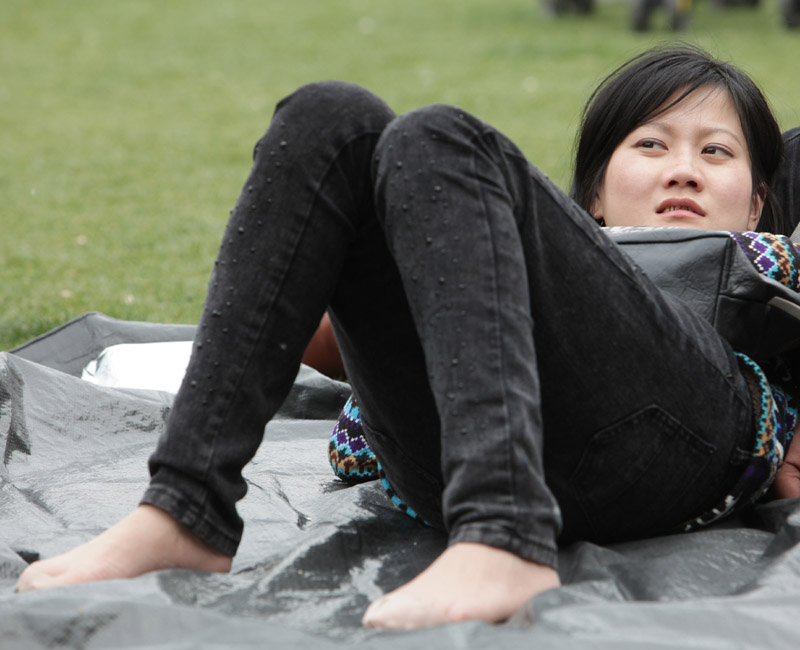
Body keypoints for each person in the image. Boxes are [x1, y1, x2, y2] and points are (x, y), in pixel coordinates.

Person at [15, 44, 800, 630]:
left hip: (680, 443)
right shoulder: (524, 244)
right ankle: (187, 506)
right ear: (591, 194)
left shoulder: (771, 262)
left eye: (716, 152)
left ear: (759, 202)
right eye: (652, 144)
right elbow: (340, 343)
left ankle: (504, 535)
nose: (684, 170)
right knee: (329, 117)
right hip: (448, 459)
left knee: (442, 135)